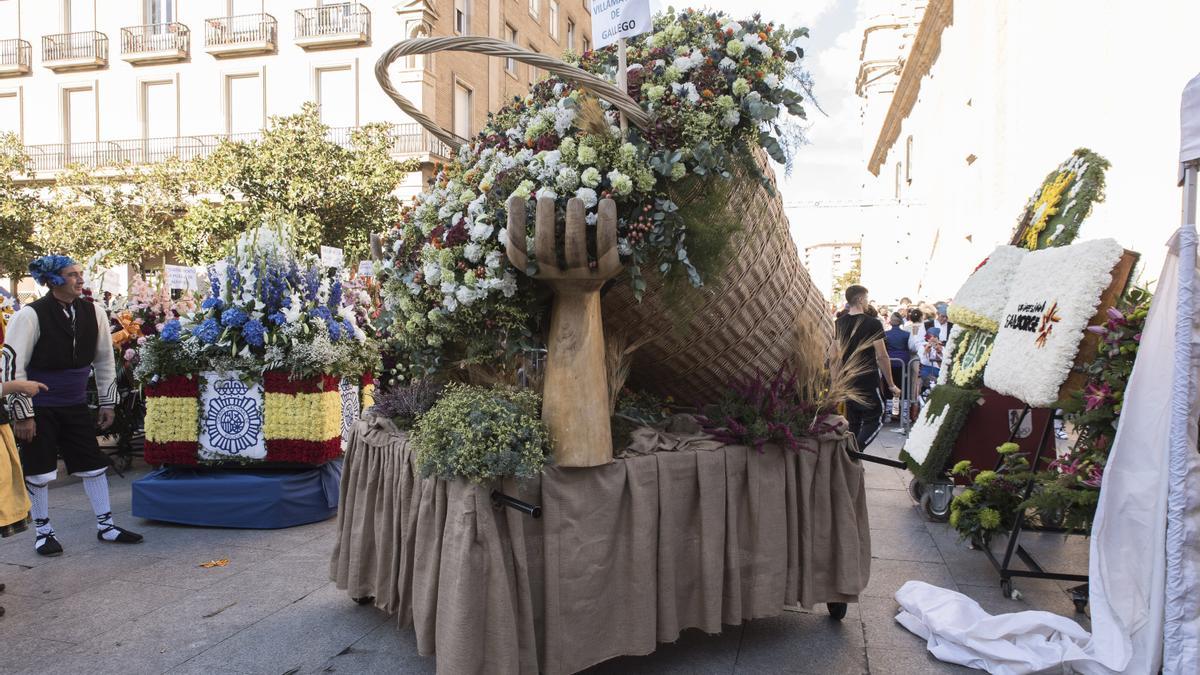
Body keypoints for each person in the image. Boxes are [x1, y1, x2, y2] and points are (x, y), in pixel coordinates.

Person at [3, 255, 143, 556]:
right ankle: (43, 532)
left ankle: (106, 526)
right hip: (40, 405)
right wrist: (23, 414)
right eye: (72, 275)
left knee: (92, 465)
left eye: (80, 274)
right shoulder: (29, 316)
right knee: (39, 470)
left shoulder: (94, 312)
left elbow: (105, 359)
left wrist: (107, 403)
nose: (80, 280)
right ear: (53, 280)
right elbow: (13, 367)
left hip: (75, 402)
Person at [831, 285, 902, 450]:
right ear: (861, 299)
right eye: (867, 298)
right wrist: (891, 384)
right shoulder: (873, 324)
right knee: (875, 418)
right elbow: (882, 356)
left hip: (847, 379)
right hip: (867, 380)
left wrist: (836, 383)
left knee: (854, 422)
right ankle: (854, 452)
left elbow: (834, 357)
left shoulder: (838, 324)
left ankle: (851, 465)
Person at [883, 313, 911, 419]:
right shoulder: (906, 334)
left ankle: (889, 414)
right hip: (903, 362)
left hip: (889, 362)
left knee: (889, 387)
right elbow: (912, 347)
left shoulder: (885, 334)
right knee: (904, 387)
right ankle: (904, 415)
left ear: (891, 321)